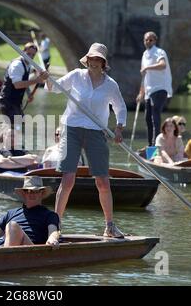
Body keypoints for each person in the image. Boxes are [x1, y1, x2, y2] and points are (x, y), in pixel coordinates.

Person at [45, 43, 127, 238]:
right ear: (87, 60)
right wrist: (46, 79)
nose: (94, 62)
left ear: (103, 63)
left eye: (98, 59)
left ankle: (109, 226)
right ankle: (56, 227)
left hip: (96, 131)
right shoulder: (76, 76)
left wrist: (119, 128)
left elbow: (120, 107)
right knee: (68, 179)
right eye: (91, 59)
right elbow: (54, 89)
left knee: (103, 181)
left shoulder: (110, 84)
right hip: (71, 127)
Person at [0, 176, 60, 248]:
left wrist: (52, 238)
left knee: (13, 226)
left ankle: (3, 259)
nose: (32, 194)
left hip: (31, 251)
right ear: (24, 193)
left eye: (36, 191)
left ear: (41, 193)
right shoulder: (11, 213)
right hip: (5, 248)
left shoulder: (50, 215)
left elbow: (53, 231)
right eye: (28, 191)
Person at [136, 31, 173, 147]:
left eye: (151, 40)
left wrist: (147, 67)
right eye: (146, 40)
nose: (148, 42)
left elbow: (163, 65)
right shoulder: (144, 55)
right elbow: (144, 76)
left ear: (155, 41)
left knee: (155, 115)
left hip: (160, 88)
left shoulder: (159, 52)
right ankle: (150, 145)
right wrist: (141, 93)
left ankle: (156, 145)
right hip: (149, 91)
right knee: (147, 118)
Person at [0, 42, 48, 125]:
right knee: (15, 127)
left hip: (16, 102)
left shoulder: (27, 65)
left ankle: (3, 131)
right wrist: (36, 81)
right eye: (28, 54)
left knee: (21, 125)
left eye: (33, 55)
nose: (30, 57)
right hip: (7, 100)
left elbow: (24, 81)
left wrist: (29, 94)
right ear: (22, 52)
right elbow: (17, 85)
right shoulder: (17, 65)